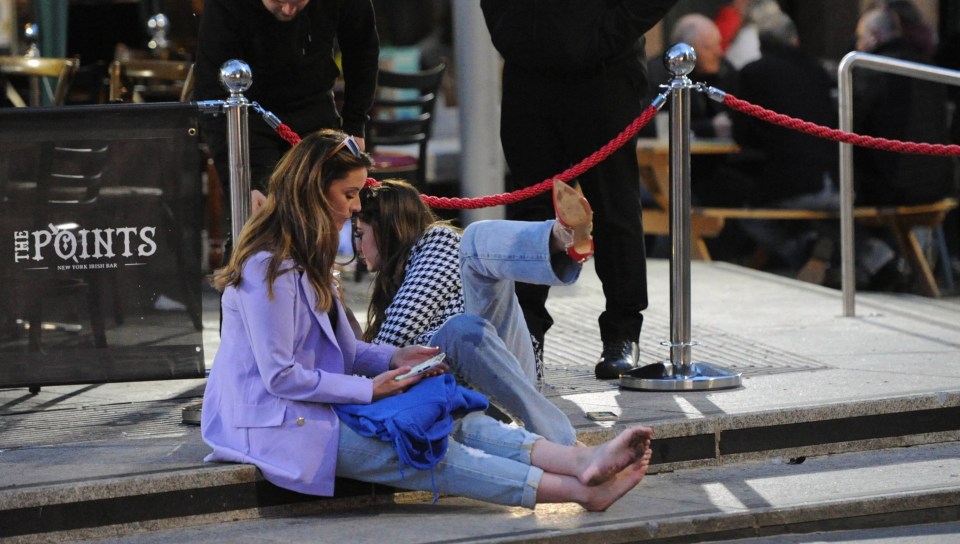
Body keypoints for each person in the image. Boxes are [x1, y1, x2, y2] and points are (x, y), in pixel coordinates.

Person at [200, 129, 655, 511]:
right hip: (273, 422)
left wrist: (398, 357)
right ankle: (577, 490)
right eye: (349, 195)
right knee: (423, 445)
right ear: (312, 192)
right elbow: (280, 376)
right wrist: (373, 386)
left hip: (322, 405)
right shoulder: (268, 267)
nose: (356, 208)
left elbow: (352, 351)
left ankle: (577, 461)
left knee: (446, 415)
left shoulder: (312, 258)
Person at [481, 0, 678, 380]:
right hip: (529, 75)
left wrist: (604, 36)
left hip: (605, 75)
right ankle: (527, 337)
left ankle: (622, 334)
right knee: (529, 210)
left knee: (614, 207)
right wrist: (512, 34)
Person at [353, 179, 593, 445]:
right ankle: (560, 238)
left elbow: (393, 341)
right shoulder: (395, 277)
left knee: (474, 247)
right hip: (461, 395)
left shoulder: (436, 243)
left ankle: (561, 237)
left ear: (386, 228)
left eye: (360, 233)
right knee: (461, 322)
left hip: (501, 370)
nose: (356, 247)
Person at [194, 0, 380, 205]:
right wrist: (241, 179)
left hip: (315, 107)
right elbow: (210, 93)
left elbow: (362, 50)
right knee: (263, 212)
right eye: (279, 1)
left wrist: (355, 124)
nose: (288, 10)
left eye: (298, 2)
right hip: (249, 117)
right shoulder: (223, 7)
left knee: (329, 209)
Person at [725, 11, 839, 272]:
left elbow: (742, 136)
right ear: (795, 39)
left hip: (795, 184)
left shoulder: (754, 73)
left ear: (761, 43)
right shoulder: (817, 69)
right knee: (829, 219)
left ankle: (801, 251)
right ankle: (879, 260)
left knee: (748, 214)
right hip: (837, 179)